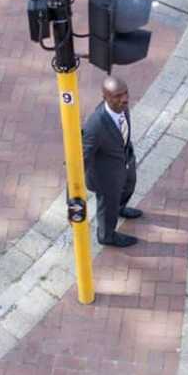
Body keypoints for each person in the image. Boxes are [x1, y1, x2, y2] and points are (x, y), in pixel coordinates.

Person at [83, 76, 142, 247]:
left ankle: (120, 208)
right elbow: (82, 158)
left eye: (125, 93)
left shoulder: (122, 107)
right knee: (108, 206)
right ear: (105, 98)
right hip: (106, 177)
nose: (124, 99)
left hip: (124, 161)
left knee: (129, 185)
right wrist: (71, 198)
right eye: (117, 96)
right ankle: (106, 236)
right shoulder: (95, 126)